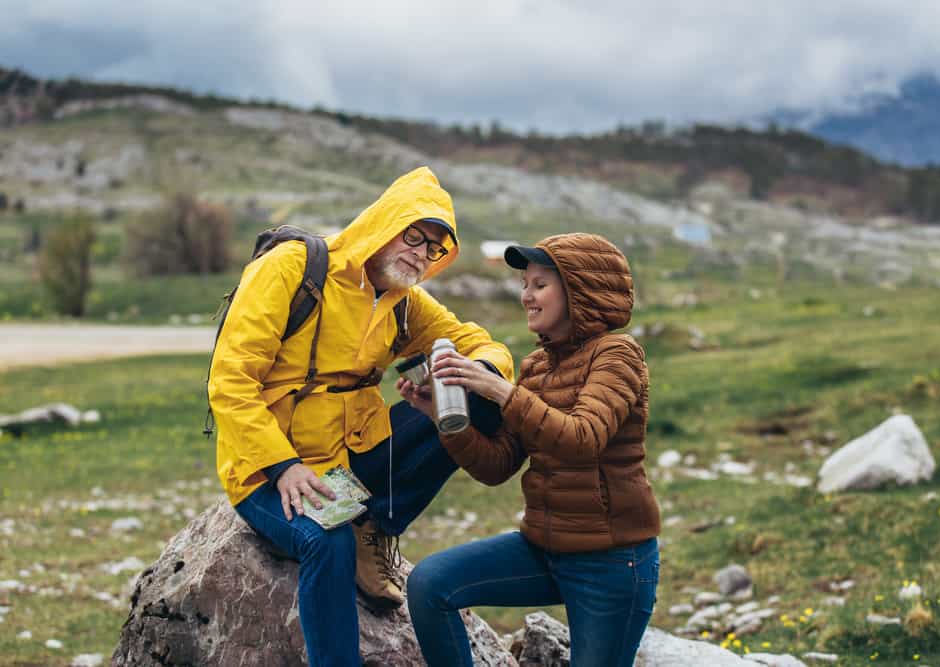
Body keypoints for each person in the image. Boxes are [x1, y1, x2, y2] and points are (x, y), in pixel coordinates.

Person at [207, 166, 514, 667]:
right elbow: (231, 380)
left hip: (355, 452)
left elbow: (480, 343)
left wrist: (474, 370)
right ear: (384, 223)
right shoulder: (291, 269)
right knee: (326, 542)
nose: (420, 253)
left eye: (434, 247)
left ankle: (374, 525)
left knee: (478, 395)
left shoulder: (405, 302)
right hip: (271, 463)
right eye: (413, 235)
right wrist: (283, 466)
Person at [401, 232, 662, 667]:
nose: (527, 296)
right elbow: (497, 465)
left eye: (540, 285)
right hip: (543, 548)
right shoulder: (538, 366)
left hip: (611, 564)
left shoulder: (618, 355)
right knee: (431, 584)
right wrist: (444, 420)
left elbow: (583, 438)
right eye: (525, 285)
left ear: (579, 290)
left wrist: (502, 392)